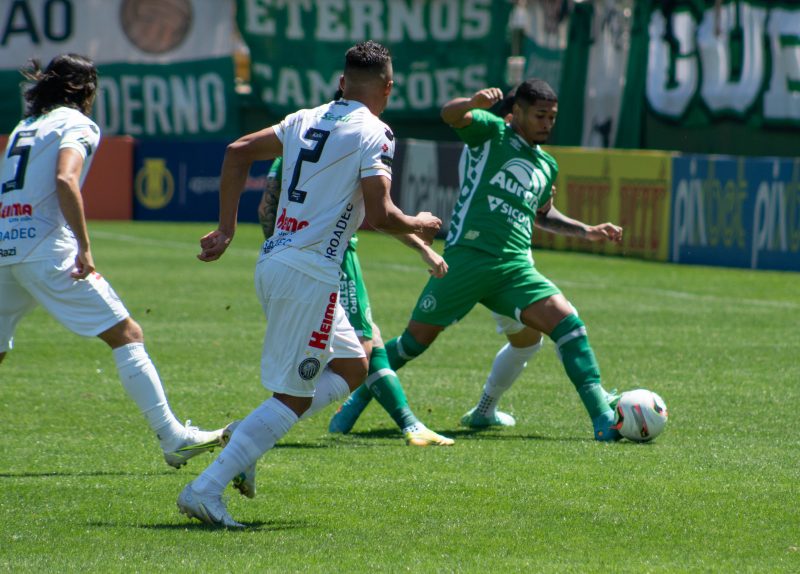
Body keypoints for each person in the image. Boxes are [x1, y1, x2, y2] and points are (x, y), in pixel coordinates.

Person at [178, 41, 443, 528]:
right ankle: (205, 489)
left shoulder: (304, 118)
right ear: (388, 87)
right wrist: (419, 222)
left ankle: (247, 435)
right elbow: (382, 215)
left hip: (278, 260)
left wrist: (226, 229)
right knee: (295, 397)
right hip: (309, 275)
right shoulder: (375, 132)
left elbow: (237, 152)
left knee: (353, 363)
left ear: (343, 82)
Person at [0, 54, 223, 469]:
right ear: (84, 90)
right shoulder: (76, 123)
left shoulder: (24, 127)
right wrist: (84, 247)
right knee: (127, 333)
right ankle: (173, 438)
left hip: (4, 247)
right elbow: (66, 178)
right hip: (47, 249)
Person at [378, 79, 624, 441]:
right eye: (540, 115)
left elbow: (542, 213)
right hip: (468, 258)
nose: (547, 123)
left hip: (514, 268)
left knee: (569, 325)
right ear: (516, 114)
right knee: (412, 344)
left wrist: (586, 231)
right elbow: (450, 114)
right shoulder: (492, 132)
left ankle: (603, 420)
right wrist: (474, 102)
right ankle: (352, 403)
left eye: (552, 117)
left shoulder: (547, 165)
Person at [260, 156, 454, 447]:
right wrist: (422, 245)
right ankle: (259, 427)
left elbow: (266, 207)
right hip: (334, 256)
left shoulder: (291, 146)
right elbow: (382, 215)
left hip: (284, 258)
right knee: (361, 347)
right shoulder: (350, 148)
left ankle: (408, 424)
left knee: (369, 339)